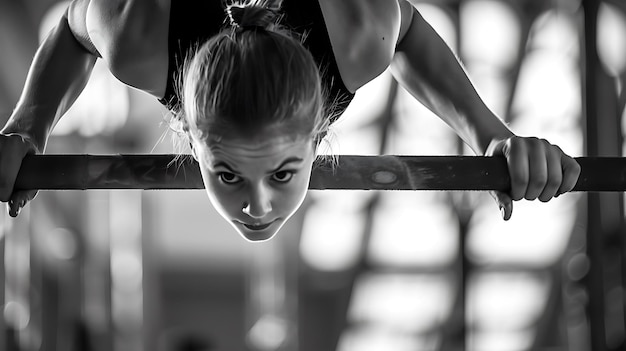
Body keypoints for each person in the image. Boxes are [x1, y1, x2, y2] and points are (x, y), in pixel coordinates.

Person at [0, 0, 580, 242]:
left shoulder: (361, 30)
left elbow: (405, 31)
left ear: (317, 130)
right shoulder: (135, 36)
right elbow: (77, 26)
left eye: (282, 173)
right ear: (193, 142)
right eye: (226, 174)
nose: (258, 208)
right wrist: (23, 130)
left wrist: (493, 136)